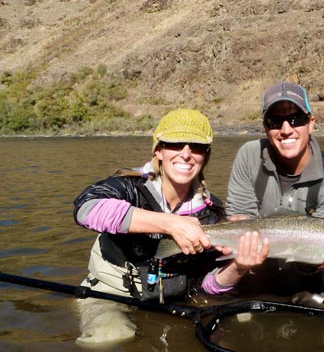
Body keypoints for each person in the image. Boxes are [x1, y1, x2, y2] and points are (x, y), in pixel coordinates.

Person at [73, 109, 268, 346]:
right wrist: (170, 223)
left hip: (178, 299)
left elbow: (205, 287)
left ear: (205, 157)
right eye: (175, 144)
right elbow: (86, 209)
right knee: (110, 337)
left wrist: (239, 268)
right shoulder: (128, 187)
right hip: (111, 294)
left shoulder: (212, 213)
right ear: (159, 151)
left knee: (244, 322)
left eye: (196, 147)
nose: (186, 154)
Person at [226, 82, 324, 303]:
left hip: (308, 272)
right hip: (254, 265)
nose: (286, 129)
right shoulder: (249, 155)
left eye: (296, 119)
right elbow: (241, 216)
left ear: (311, 123)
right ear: (266, 127)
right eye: (275, 121)